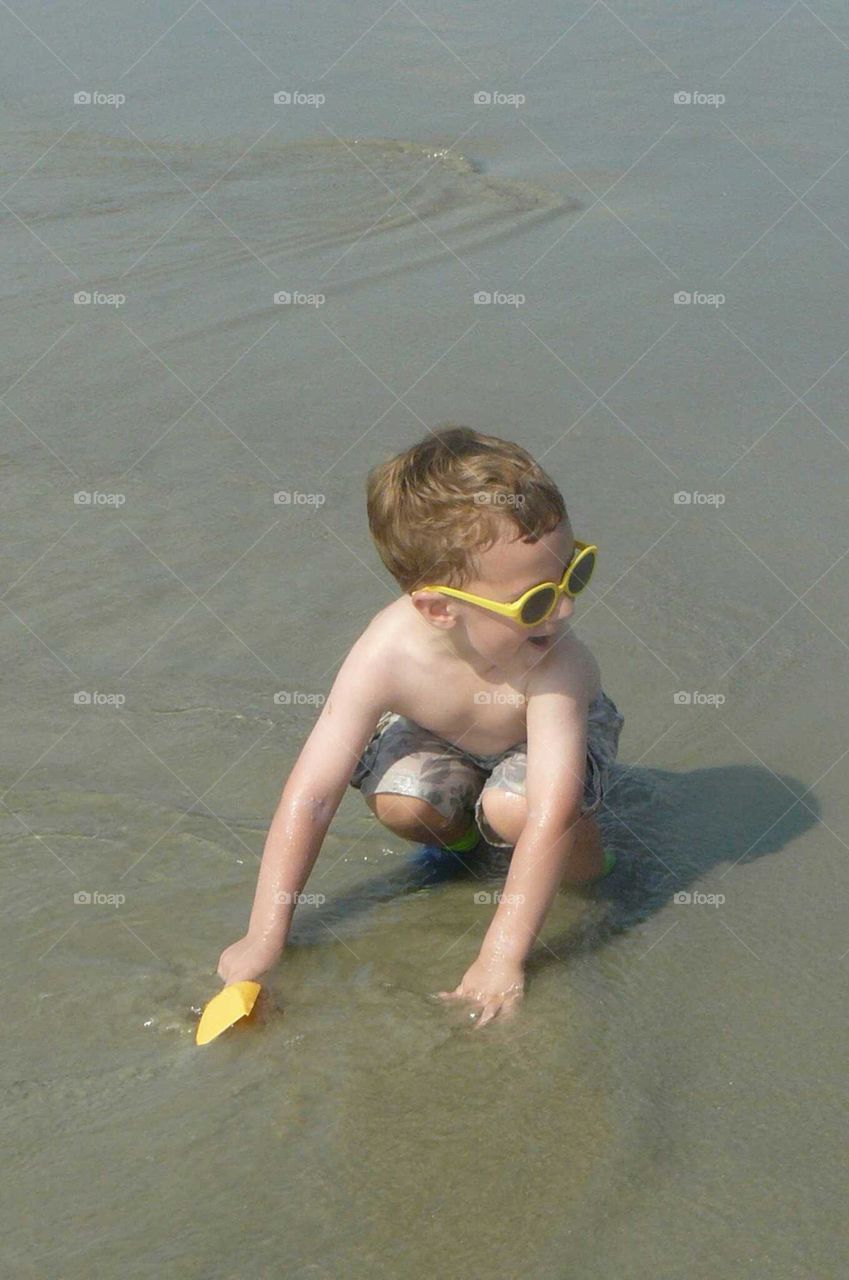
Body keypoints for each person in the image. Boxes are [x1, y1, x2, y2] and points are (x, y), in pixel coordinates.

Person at [217, 425, 624, 1027]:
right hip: (447, 739)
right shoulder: (388, 652)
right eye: (536, 600)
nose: (564, 609)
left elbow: (552, 809)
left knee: (522, 810)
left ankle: (599, 872)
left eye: (575, 573)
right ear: (438, 608)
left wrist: (500, 957)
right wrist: (265, 933)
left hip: (547, 755)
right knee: (401, 800)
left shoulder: (554, 658)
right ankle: (462, 848)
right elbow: (314, 791)